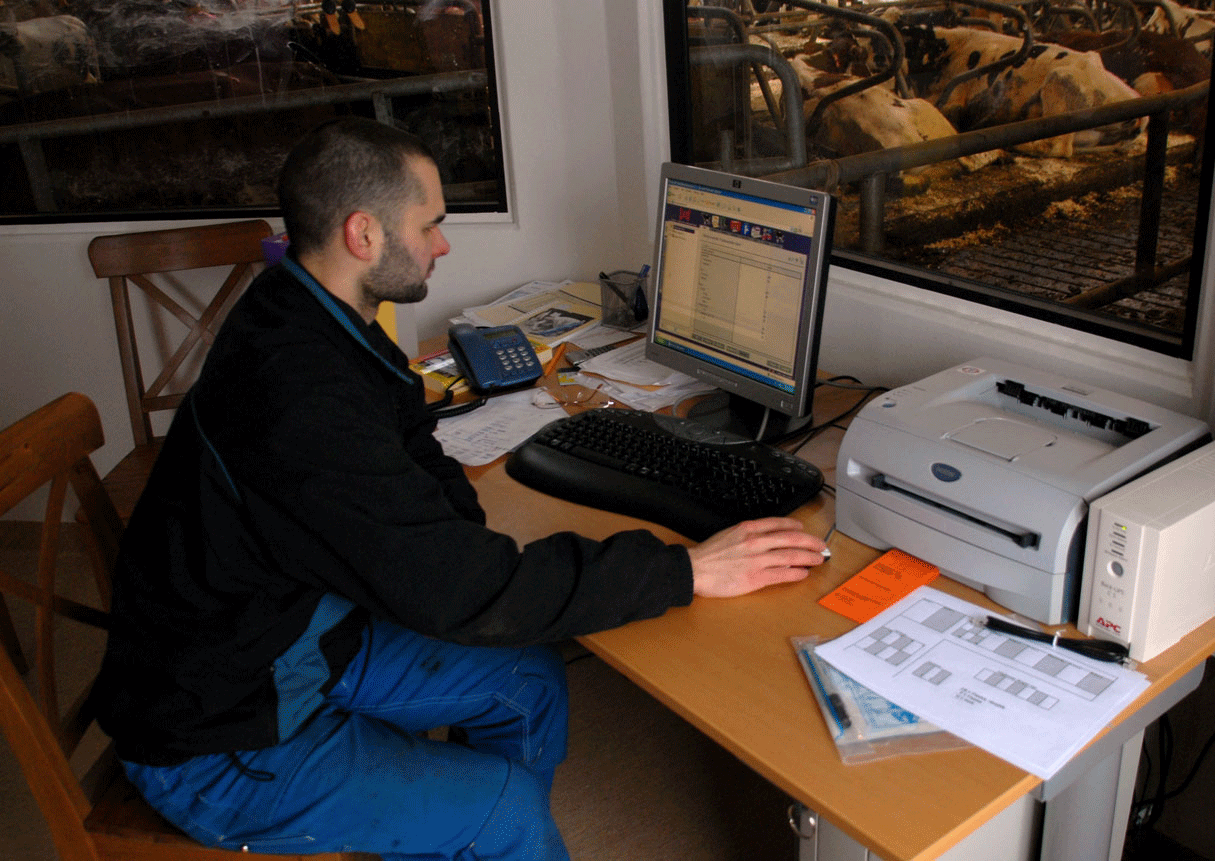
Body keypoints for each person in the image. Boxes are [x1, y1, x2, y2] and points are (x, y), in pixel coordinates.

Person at [90, 117, 827, 861]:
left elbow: (415, 450)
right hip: (218, 732)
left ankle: (469, 840)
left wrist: (455, 543)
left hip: (296, 633)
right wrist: (688, 569)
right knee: (503, 811)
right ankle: (491, 834)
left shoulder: (310, 310)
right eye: (430, 224)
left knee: (527, 677)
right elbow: (463, 593)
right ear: (362, 234)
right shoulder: (298, 398)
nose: (442, 243)